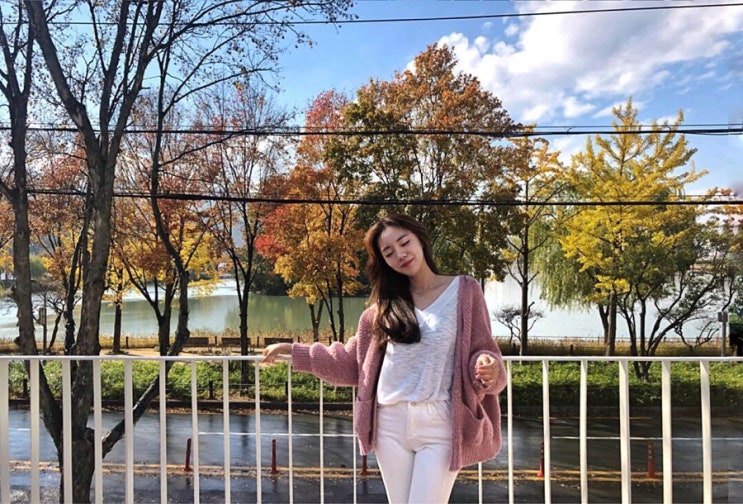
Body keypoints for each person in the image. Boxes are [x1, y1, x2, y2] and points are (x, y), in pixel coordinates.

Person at [263, 213, 506, 503]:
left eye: (404, 243)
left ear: (420, 239)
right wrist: (293, 350)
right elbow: (352, 363)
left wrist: (488, 366)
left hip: (440, 422)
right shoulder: (382, 311)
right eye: (388, 253)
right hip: (388, 424)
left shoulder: (464, 291)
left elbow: (482, 349)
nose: (400, 254)